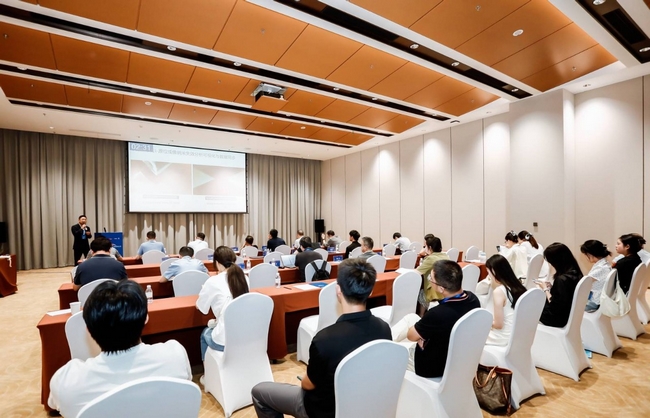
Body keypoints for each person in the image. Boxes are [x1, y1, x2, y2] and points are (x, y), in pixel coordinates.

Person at [251, 259, 391, 418]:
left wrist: (306, 378)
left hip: (324, 410)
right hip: (365, 404)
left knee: (259, 392)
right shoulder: (384, 329)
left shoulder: (325, 340)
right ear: (371, 291)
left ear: (338, 290)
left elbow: (308, 384)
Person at [48, 280, 192, 418]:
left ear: (88, 331)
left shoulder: (67, 381)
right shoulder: (175, 355)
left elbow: (54, 405)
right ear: (146, 319)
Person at [391, 260, 480, 377]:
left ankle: (383, 347)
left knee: (394, 353)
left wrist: (422, 338)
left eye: (431, 279)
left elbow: (411, 336)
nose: (430, 281)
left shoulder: (437, 314)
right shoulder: (473, 299)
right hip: (458, 356)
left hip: (430, 365)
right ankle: (387, 340)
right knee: (411, 317)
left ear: (442, 288)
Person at [196, 246, 249, 360]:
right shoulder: (244, 278)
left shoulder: (212, 281)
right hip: (246, 336)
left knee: (205, 334)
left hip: (224, 341)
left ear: (217, 263)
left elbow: (202, 309)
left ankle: (208, 370)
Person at [484, 255, 527, 346]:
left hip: (503, 337)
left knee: (473, 334)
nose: (488, 276)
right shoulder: (518, 286)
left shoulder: (499, 291)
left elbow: (498, 325)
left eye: (488, 272)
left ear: (494, 271)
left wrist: (484, 322)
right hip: (517, 334)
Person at [538, 243, 582, 327]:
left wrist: (545, 289)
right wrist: (554, 287)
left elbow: (554, 305)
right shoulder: (576, 273)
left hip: (558, 319)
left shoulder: (561, 280)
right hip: (568, 314)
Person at [417, 236, 449, 307]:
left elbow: (418, 272)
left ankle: (422, 313)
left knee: (421, 294)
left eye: (426, 246)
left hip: (434, 290)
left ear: (430, 248)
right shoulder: (446, 256)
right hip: (446, 288)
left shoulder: (430, 258)